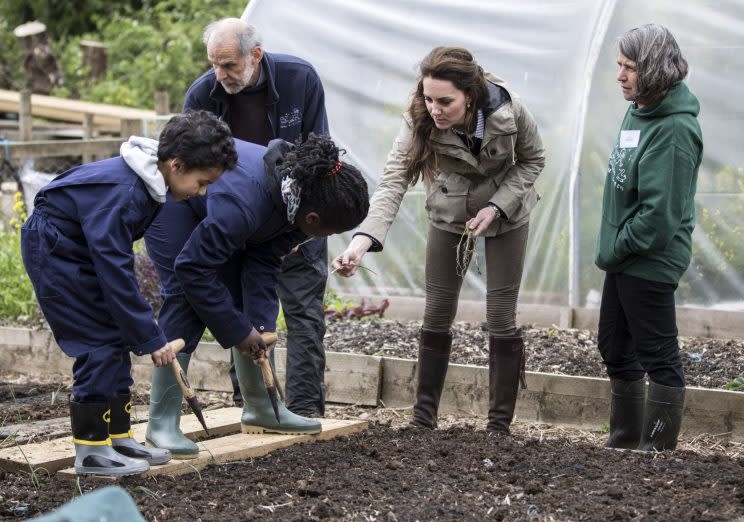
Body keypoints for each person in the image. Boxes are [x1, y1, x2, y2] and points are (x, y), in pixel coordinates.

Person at [333, 47, 545, 433]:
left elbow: (534, 160)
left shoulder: (510, 111)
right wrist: (360, 243)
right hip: (449, 210)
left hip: (507, 213)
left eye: (445, 101)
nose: (435, 108)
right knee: (437, 310)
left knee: (500, 315)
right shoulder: (418, 120)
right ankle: (422, 420)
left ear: (471, 94)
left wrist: (496, 207)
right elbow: (394, 179)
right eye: (429, 98)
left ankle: (498, 429)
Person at [20, 111, 237, 475]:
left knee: (117, 336)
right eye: (201, 183)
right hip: (55, 248)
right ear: (176, 164)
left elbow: (114, 262)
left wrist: (138, 332)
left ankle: (118, 436)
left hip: (79, 245)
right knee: (98, 340)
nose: (202, 192)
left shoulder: (150, 185)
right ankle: (91, 450)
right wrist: (150, 336)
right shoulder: (128, 192)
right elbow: (115, 270)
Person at [144, 133, 369, 458]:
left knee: (240, 299)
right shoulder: (247, 203)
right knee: (184, 299)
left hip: (218, 209)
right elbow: (192, 269)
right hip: (174, 202)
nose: (328, 238)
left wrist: (260, 328)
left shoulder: (299, 198)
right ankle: (161, 424)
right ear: (313, 220)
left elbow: (263, 261)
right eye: (330, 232)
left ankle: (262, 409)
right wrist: (239, 333)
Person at [180, 17, 330, 417]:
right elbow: (191, 168)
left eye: (228, 65)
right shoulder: (202, 96)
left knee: (303, 313)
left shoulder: (300, 79)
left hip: (298, 219)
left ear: (256, 55)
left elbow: (321, 154)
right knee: (241, 312)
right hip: (236, 220)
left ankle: (304, 410)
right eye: (214, 64)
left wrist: (306, 225)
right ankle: (253, 404)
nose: (220, 74)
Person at [596, 24, 702, 452]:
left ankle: (657, 449)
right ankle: (624, 440)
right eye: (619, 65)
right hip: (625, 255)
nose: (620, 76)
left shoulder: (674, 130)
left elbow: (659, 217)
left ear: (655, 69)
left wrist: (617, 245)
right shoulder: (639, 108)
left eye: (630, 67)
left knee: (657, 353)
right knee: (615, 347)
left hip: (649, 257)